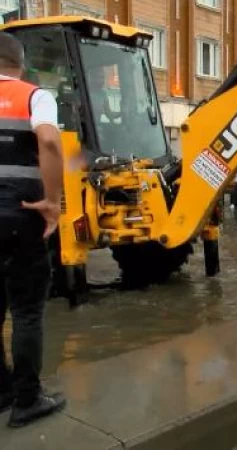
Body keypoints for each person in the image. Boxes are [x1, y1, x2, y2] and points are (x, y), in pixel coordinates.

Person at [0, 32, 67, 427]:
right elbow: (51, 143)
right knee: (26, 311)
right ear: (19, 63)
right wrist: (52, 202)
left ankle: (1, 391)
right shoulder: (34, 96)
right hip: (21, 215)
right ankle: (27, 400)